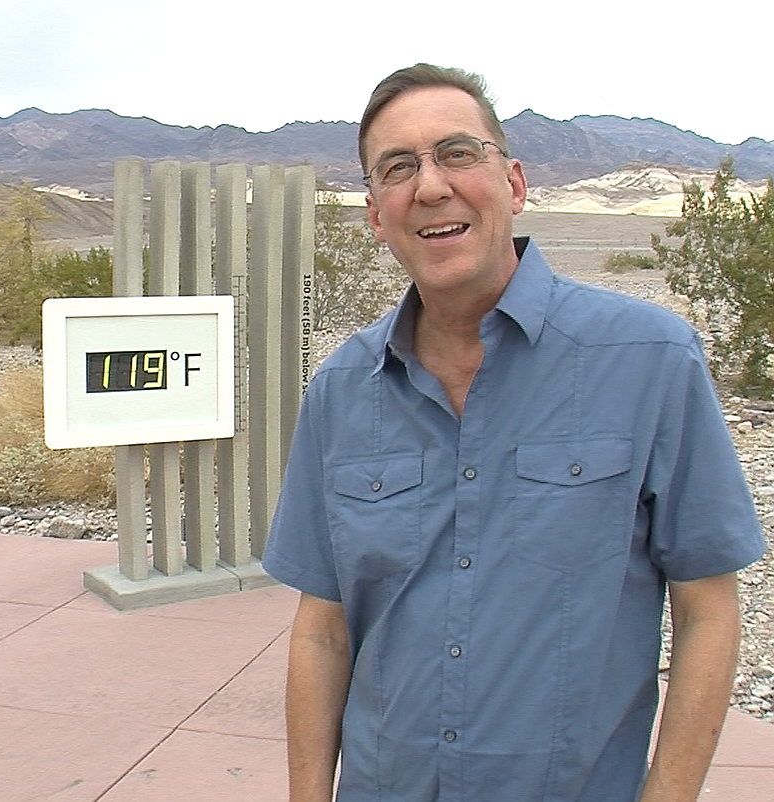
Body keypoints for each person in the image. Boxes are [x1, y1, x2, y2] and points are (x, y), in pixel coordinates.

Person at [262, 63, 765, 802]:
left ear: (515, 184)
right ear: (376, 216)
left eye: (457, 153)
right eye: (398, 168)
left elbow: (708, 608)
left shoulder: (649, 359)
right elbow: (324, 630)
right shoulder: (341, 389)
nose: (431, 185)